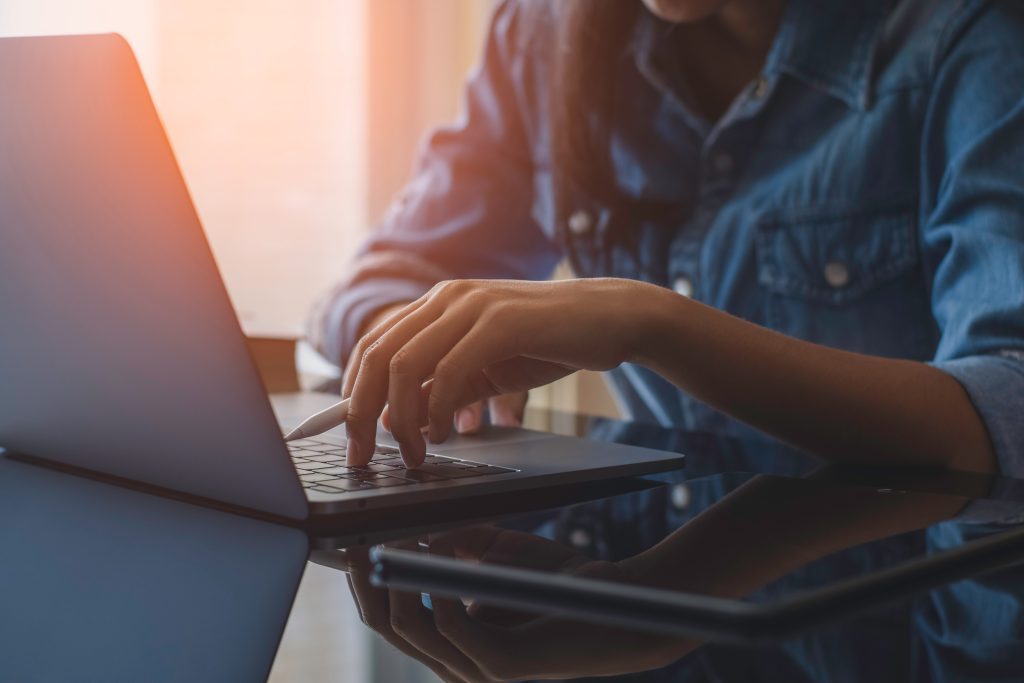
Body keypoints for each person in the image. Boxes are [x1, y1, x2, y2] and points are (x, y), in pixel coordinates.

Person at [307, 0, 1024, 478]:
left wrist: (656, 326)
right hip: (664, 600)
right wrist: (411, 355)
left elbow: (1007, 406)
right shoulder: (545, 31)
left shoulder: (973, 36)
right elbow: (383, 276)